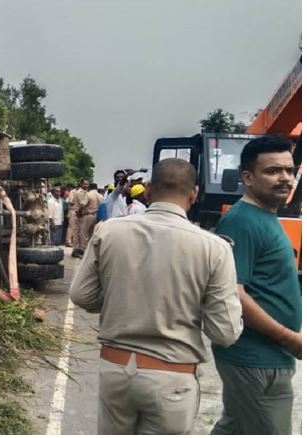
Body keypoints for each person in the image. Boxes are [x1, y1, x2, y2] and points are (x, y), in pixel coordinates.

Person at [69, 158, 243, 434]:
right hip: (172, 377)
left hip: (116, 368)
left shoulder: (110, 230)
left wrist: (119, 297)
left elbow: (81, 295)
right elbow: (225, 333)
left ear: (149, 190)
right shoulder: (215, 248)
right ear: (194, 194)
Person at [210, 135, 301, 435]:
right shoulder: (242, 221)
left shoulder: (265, 216)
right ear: (248, 178)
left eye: (289, 170)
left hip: (269, 356)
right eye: (273, 171)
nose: (285, 177)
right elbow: (233, 293)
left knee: (236, 428)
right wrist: (289, 338)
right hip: (255, 358)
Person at [74, 178, 100, 258]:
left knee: (84, 235)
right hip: (94, 216)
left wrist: (79, 212)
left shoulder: (88, 194)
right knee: (90, 234)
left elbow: (83, 204)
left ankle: (84, 252)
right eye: (85, 184)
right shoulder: (99, 195)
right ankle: (89, 252)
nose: (86, 186)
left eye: (87, 184)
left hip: (87, 215)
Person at [65, 182, 79, 248]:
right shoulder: (72, 192)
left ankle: (74, 241)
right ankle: (68, 241)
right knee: (71, 226)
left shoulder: (81, 192)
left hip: (78, 211)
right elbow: (71, 202)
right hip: (72, 211)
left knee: (76, 227)